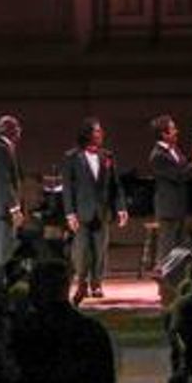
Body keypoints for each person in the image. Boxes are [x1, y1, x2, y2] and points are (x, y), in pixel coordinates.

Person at [62, 118, 128, 303]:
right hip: (81, 213)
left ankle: (97, 283)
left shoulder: (107, 156)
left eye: (101, 131)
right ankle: (81, 281)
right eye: (97, 131)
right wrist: (70, 213)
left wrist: (121, 208)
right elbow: (67, 187)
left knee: (100, 250)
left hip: (102, 211)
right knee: (82, 251)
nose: (101, 134)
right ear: (87, 134)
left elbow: (116, 185)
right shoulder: (72, 157)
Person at [150, 114, 192, 268]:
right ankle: (166, 287)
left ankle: (184, 280)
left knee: (184, 247)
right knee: (167, 250)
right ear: (164, 134)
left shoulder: (174, 150)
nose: (177, 131)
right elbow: (179, 176)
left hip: (179, 207)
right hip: (168, 209)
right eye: (173, 129)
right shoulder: (158, 156)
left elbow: (182, 168)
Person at [0, 114, 24, 285]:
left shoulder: (6, 149)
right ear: (7, 130)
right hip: (2, 210)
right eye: (15, 127)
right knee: (0, 254)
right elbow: (4, 180)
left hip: (4, 209)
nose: (19, 130)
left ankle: (3, 285)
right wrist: (15, 208)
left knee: (7, 251)